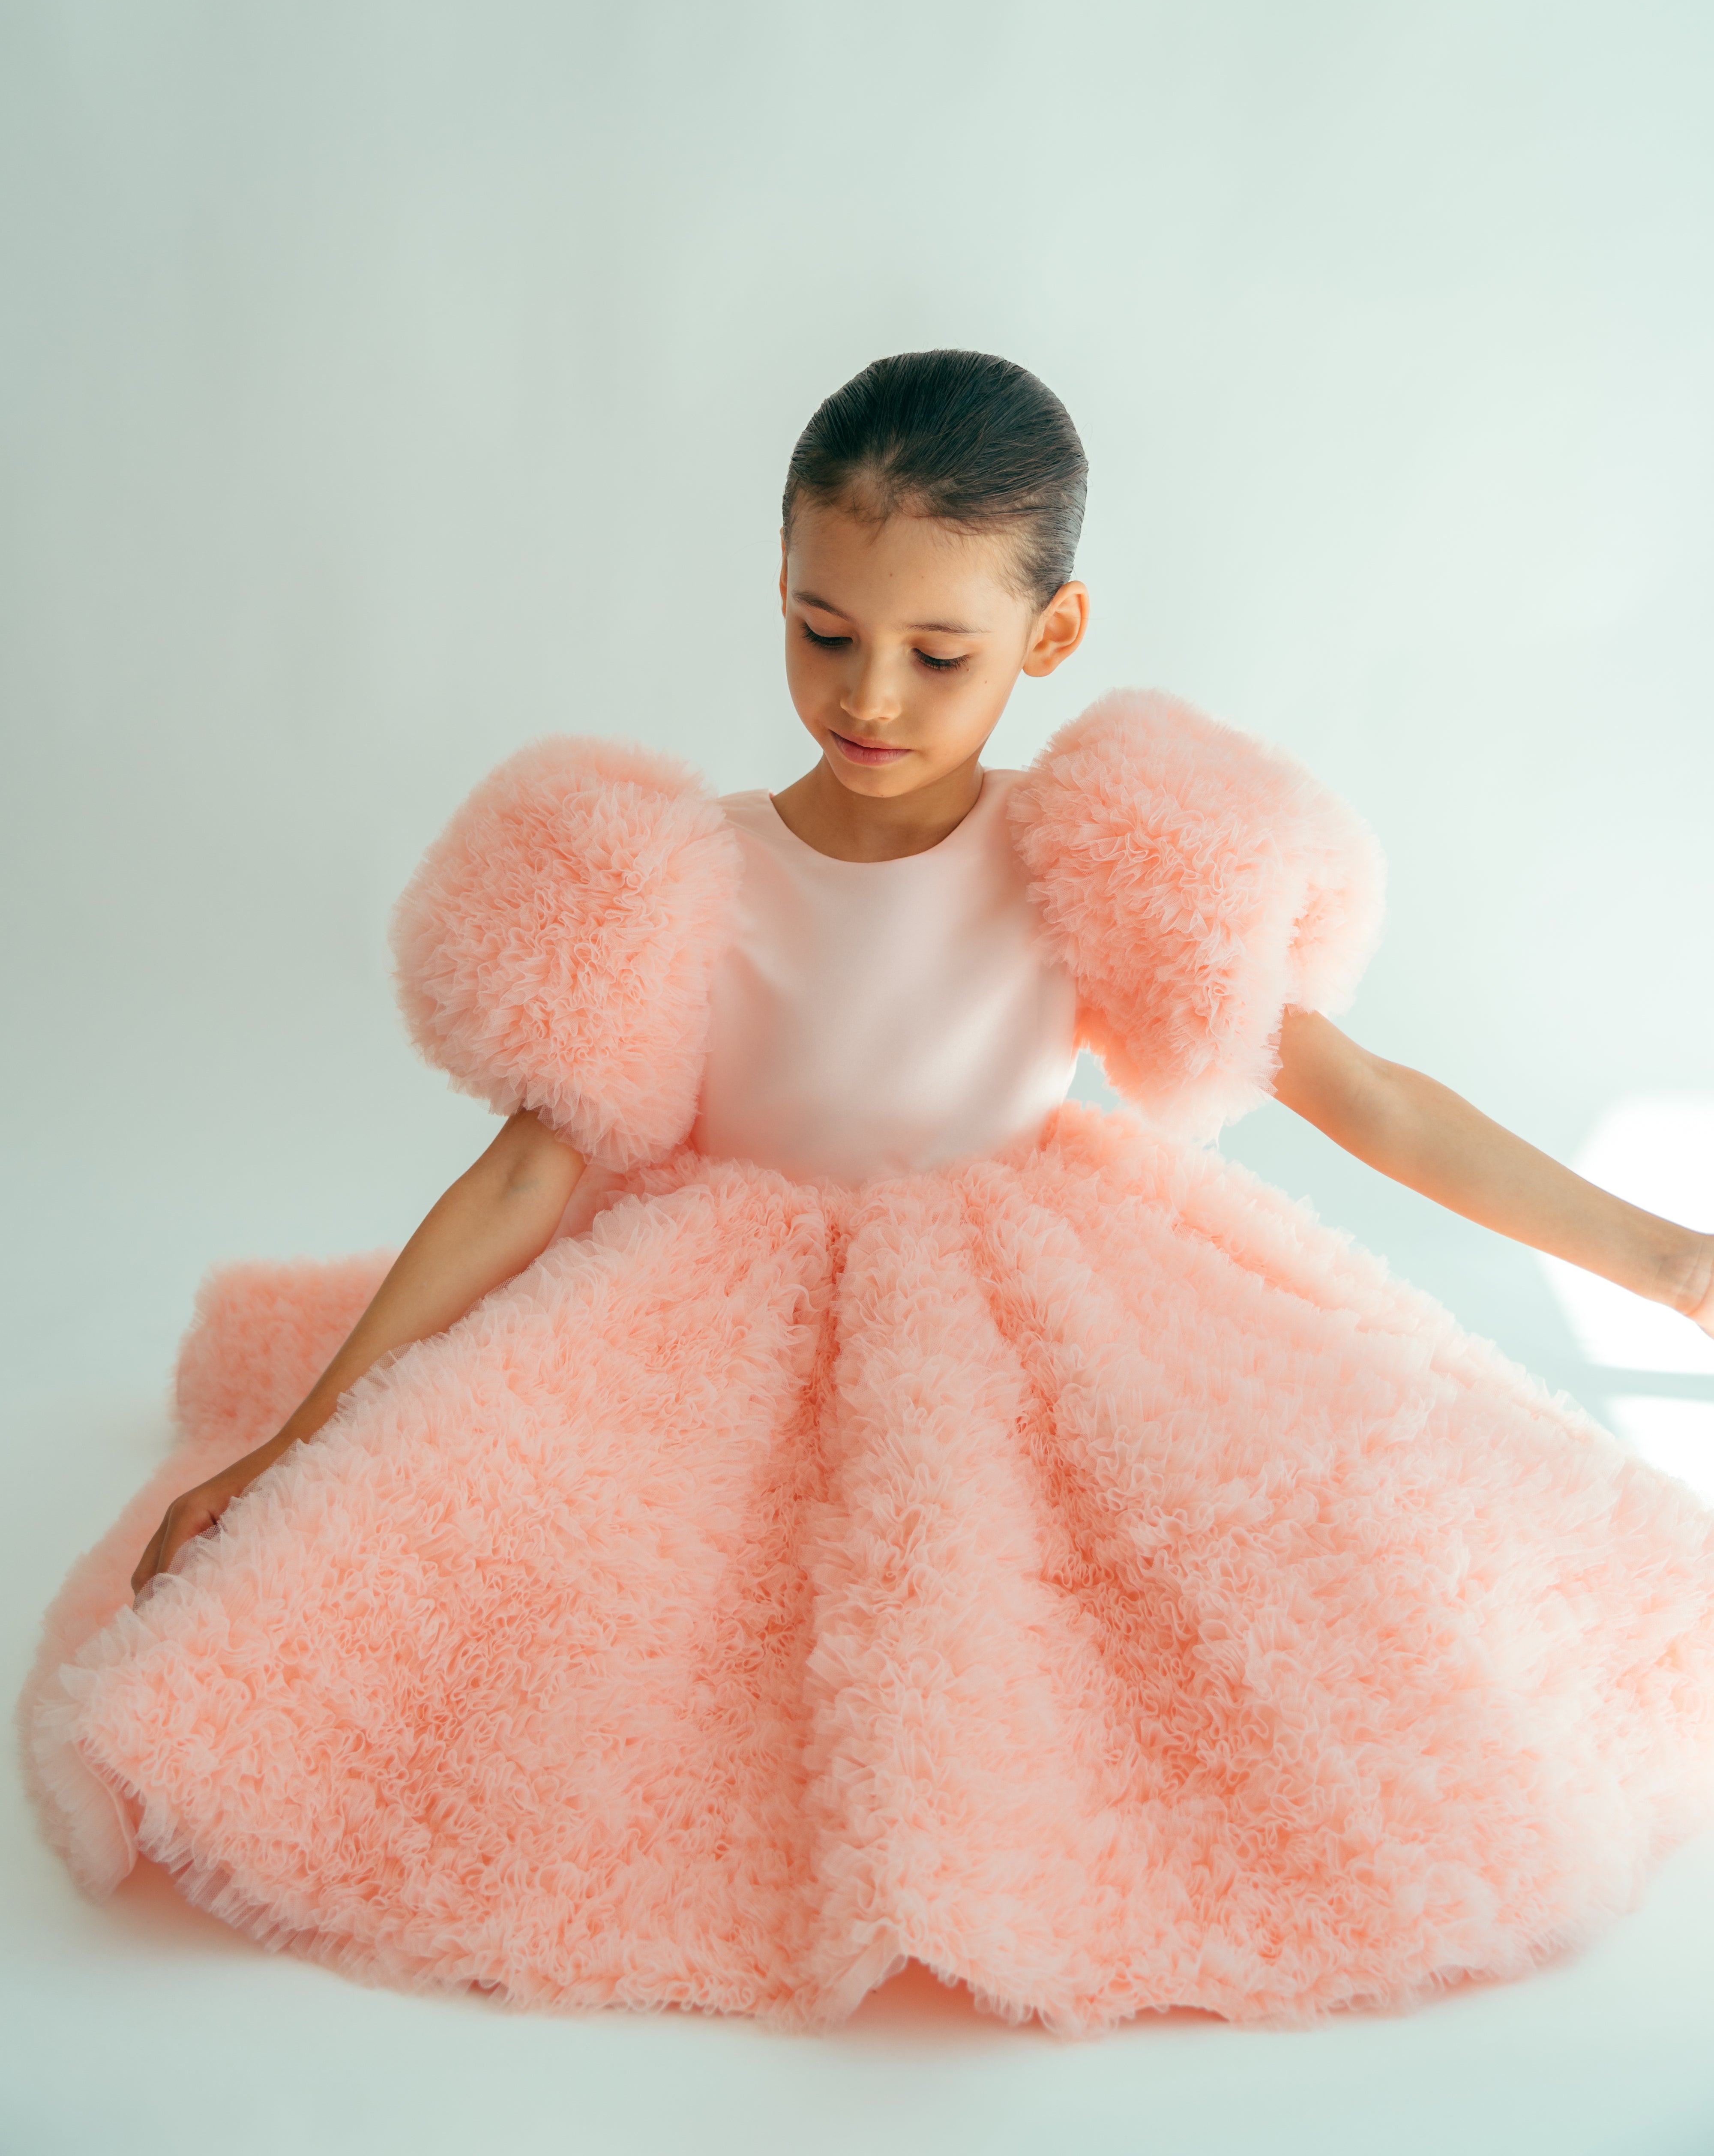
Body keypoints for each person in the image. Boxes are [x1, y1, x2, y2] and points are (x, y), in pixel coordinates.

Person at [21, 350, 1714, 2033]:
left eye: (939, 652)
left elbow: (1371, 1102)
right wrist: (309, 1438)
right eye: (824, 632)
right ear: (779, 588)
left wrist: (1666, 1259)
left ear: (1050, 639)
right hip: (704, 1320)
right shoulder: (684, 872)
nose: (872, 700)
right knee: (634, 1641)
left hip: (1033, 1299)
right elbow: (530, 1169)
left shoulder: (1088, 857)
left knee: (1255, 1577)